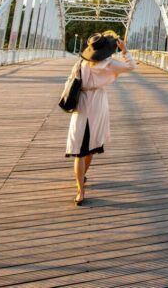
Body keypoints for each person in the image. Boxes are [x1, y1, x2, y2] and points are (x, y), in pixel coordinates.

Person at [65, 30, 136, 205]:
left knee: (79, 149)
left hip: (81, 103)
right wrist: (125, 51)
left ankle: (80, 189)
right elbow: (131, 66)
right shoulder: (109, 64)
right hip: (97, 103)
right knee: (92, 146)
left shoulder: (81, 63)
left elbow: (70, 82)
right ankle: (82, 180)